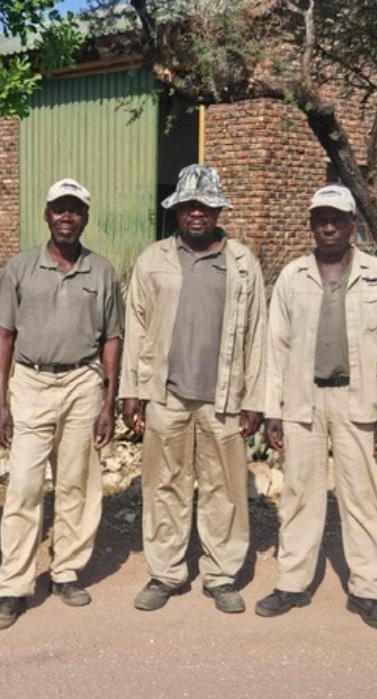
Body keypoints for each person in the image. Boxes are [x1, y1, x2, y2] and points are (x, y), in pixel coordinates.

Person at [256, 185, 377, 629]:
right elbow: (275, 348)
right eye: (320, 219)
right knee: (300, 495)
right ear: (311, 224)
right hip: (303, 401)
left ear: (351, 225)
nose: (328, 227)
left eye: (337, 219)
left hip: (357, 402)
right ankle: (292, 583)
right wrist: (272, 411)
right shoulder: (292, 277)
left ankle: (367, 590)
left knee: (363, 497)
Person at [121, 164, 266, 615]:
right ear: (177, 210)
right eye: (188, 206)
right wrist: (132, 390)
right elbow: (136, 328)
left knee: (224, 488)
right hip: (167, 394)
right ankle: (165, 573)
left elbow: (256, 335)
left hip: (224, 396)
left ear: (218, 210)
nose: (196, 214)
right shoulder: (153, 260)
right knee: (165, 485)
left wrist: (255, 399)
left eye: (205, 206)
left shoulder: (241, 262)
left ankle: (221, 575)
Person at [0, 179, 123, 630]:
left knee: (77, 485)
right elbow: (3, 335)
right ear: (46, 214)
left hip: (83, 382)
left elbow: (112, 338)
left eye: (76, 210)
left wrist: (109, 401)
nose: (67, 217)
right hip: (31, 382)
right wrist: (1, 402)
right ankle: (12, 584)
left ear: (85, 217)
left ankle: (66, 571)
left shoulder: (101, 271)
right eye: (59, 209)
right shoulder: (20, 268)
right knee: (25, 485)